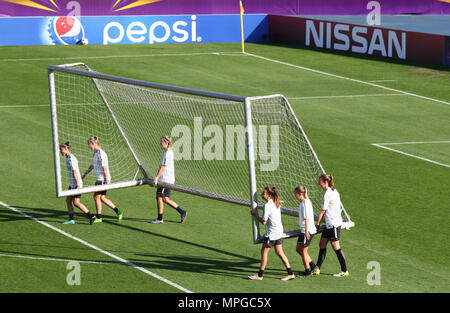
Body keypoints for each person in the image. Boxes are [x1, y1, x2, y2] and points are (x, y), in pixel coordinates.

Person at [248, 187, 295, 281]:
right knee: (279, 252)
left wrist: (255, 214)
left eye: (264, 193)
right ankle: (290, 273)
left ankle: (260, 275)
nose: (262, 194)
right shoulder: (276, 202)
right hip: (279, 232)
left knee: (264, 253)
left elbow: (264, 222)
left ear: (269, 196)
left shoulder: (268, 205)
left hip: (272, 234)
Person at [82, 136, 123, 223]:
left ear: (93, 143)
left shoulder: (101, 154)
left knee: (96, 197)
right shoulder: (96, 153)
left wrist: (106, 180)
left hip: (102, 179)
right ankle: (118, 211)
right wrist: (85, 174)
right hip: (101, 178)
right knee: (102, 198)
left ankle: (99, 217)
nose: (89, 147)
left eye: (89, 145)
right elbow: (92, 165)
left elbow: (104, 167)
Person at [314, 174, 349, 277]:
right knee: (322, 244)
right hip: (329, 224)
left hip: (333, 224)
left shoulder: (327, 194)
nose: (318, 183)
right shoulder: (334, 191)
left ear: (325, 182)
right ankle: (317, 268)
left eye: (320, 181)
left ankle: (344, 270)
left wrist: (317, 224)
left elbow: (323, 211)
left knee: (336, 246)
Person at [149, 136, 187, 224]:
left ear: (166, 143)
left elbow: (163, 167)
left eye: (161, 143)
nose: (160, 144)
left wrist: (157, 177)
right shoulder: (167, 152)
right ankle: (182, 212)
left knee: (159, 197)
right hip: (167, 179)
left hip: (166, 180)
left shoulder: (167, 154)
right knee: (165, 199)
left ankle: (160, 218)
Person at [59, 141, 96, 225]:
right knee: (68, 200)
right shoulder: (68, 157)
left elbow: (75, 171)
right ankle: (71, 219)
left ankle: (91, 216)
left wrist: (78, 185)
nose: (61, 152)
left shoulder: (71, 158)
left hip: (76, 184)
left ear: (66, 149)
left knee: (76, 202)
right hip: (73, 183)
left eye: (61, 150)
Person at [294, 186, 319, 277]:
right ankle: (313, 266)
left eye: (295, 194)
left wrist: (305, 231)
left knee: (304, 251)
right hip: (305, 230)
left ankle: (307, 271)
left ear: (300, 194)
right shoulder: (305, 202)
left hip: (306, 230)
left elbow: (306, 218)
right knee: (298, 249)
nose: (295, 197)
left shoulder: (305, 203)